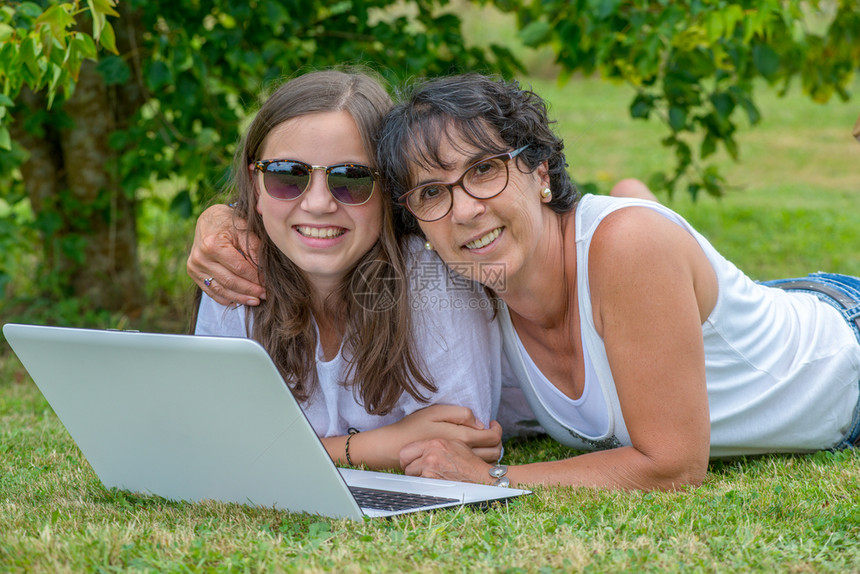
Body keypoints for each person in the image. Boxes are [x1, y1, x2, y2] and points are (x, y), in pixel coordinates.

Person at [372, 74, 860, 490]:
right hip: (745, 300)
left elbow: (672, 467)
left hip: (842, 350)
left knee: (640, 238)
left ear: (540, 171)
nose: (465, 210)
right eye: (432, 192)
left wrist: (492, 478)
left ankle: (648, 213)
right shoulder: (467, 281)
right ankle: (647, 207)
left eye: (484, 170)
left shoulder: (629, 246)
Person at [189, 70, 507, 472]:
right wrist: (379, 446)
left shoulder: (434, 281)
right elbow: (215, 438)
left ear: (390, 192)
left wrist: (292, 450)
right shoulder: (234, 267)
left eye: (351, 179)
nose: (318, 203)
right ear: (255, 187)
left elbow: (458, 444)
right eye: (288, 175)